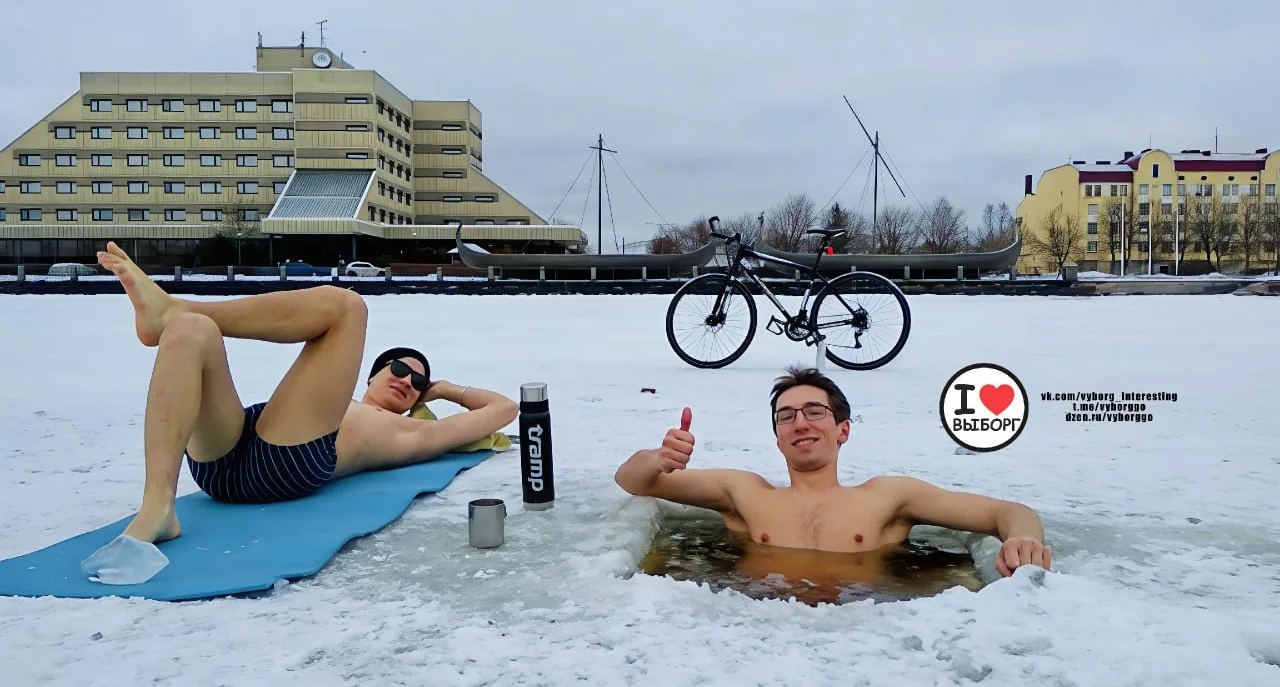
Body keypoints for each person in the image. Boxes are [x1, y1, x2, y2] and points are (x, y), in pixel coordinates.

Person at [93, 241, 519, 548]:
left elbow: (504, 408)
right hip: (222, 459)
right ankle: (158, 505)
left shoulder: (410, 433)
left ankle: (175, 308)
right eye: (400, 369)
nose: (408, 381)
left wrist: (443, 390)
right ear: (370, 376)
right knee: (192, 332)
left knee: (348, 306)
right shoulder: (330, 400)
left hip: (289, 464)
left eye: (418, 384)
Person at [614, 366, 1052, 580]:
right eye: (786, 417)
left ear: (842, 430)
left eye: (814, 411)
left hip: (862, 628)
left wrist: (1023, 539)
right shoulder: (745, 493)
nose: (800, 423)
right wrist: (658, 458)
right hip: (754, 627)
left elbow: (1009, 512)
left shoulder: (887, 497)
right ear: (778, 438)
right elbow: (632, 480)